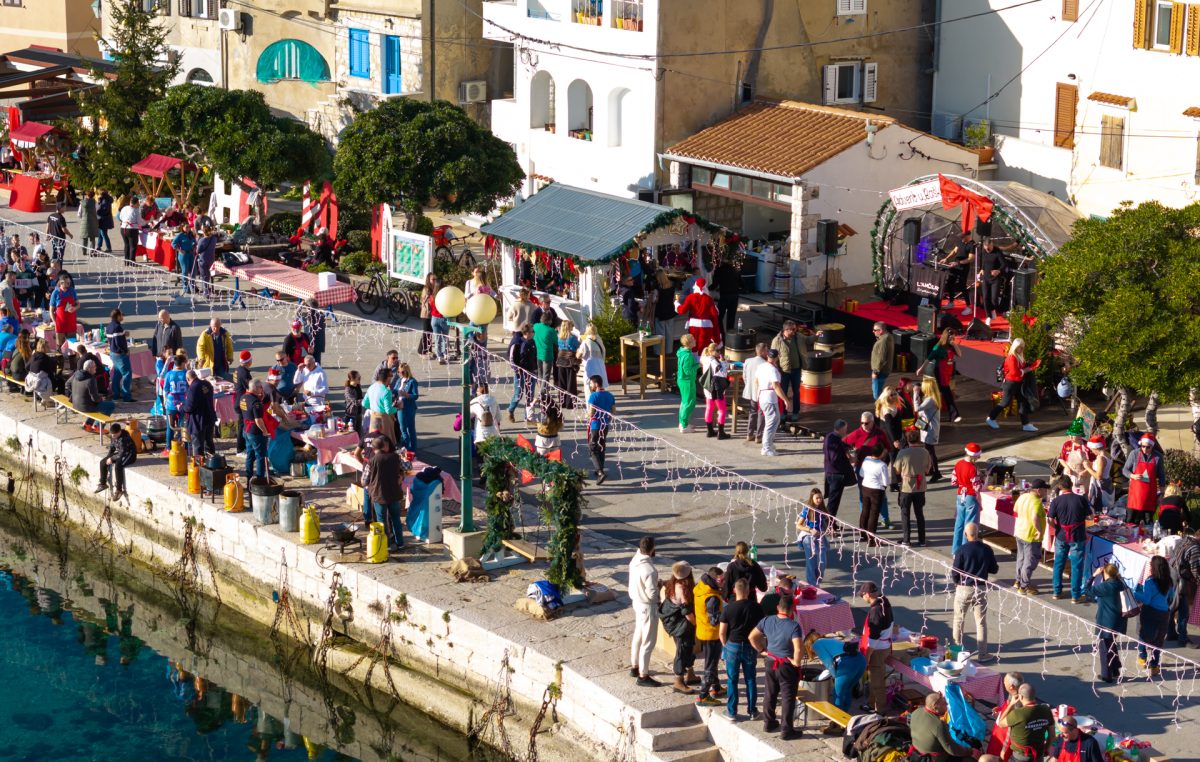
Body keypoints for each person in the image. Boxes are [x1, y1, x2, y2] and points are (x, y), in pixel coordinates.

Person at [749, 596, 803, 740]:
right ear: (792, 610)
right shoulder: (794, 626)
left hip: (770, 661)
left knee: (770, 693)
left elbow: (752, 637)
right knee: (787, 697)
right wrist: (796, 662)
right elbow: (798, 648)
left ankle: (769, 723)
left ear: (778, 607)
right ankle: (786, 730)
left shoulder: (766, 620)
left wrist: (762, 651)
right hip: (786, 665)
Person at [951, 523, 999, 661]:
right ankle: (982, 654)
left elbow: (955, 571)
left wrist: (957, 582)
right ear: (978, 533)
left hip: (964, 588)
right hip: (980, 588)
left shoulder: (961, 550)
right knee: (981, 622)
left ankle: (957, 651)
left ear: (966, 534)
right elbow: (994, 569)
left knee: (959, 620)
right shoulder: (986, 549)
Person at [719, 578, 763, 720]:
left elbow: (722, 633)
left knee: (732, 679)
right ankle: (752, 711)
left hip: (732, 645)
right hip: (750, 646)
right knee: (750, 679)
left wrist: (725, 647)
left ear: (734, 590)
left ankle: (732, 712)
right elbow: (761, 630)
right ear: (749, 590)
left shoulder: (728, 608)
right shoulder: (756, 607)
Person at [1049, 476, 1092, 603]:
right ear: (1071, 484)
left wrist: (1057, 527)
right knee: (1076, 566)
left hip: (1061, 535)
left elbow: (1050, 520)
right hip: (1077, 536)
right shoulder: (1081, 499)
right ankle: (1075, 596)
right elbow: (1090, 516)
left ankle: (1056, 592)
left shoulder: (1056, 501)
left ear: (1060, 486)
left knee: (1058, 564)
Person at [1085, 563, 1128, 683]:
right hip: (1118, 621)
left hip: (1106, 622)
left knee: (1104, 648)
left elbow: (1087, 590)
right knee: (1112, 645)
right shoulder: (1121, 583)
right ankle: (1115, 669)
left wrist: (1093, 576)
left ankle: (1106, 675)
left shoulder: (1106, 586)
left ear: (1106, 573)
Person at [628, 536, 662, 687]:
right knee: (648, 642)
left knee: (638, 635)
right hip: (647, 607)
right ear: (653, 548)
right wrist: (659, 588)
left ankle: (634, 666)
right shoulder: (650, 570)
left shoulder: (635, 560)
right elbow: (652, 595)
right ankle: (643, 675)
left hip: (636, 602)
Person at [986, 338, 1039, 432]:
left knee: (1022, 402)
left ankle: (1026, 424)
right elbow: (1015, 372)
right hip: (1010, 383)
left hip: (1018, 382)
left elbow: (1020, 370)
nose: (1021, 349)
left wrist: (1029, 366)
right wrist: (1028, 369)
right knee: (1005, 402)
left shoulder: (1019, 356)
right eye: (1019, 347)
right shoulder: (1012, 357)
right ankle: (991, 418)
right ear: (1015, 347)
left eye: (1022, 347)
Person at [1135, 555, 1174, 677]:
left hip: (1149, 612)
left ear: (1153, 567)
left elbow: (1146, 600)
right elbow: (1171, 597)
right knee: (1158, 640)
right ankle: (1154, 665)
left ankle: (1142, 658)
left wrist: (1135, 593)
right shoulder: (1169, 582)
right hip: (1164, 614)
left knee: (1143, 634)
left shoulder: (1150, 581)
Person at [858, 581, 893, 714]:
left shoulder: (875, 611)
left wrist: (867, 656)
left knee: (877, 681)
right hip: (884, 646)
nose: (862, 598)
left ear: (867, 594)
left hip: (878, 650)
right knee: (874, 678)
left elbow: (873, 638)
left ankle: (880, 710)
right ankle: (872, 704)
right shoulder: (884, 601)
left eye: (862, 595)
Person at [662, 562, 698, 694]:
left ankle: (690, 674)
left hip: (674, 622)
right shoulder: (682, 589)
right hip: (680, 625)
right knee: (682, 650)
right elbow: (687, 612)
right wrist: (696, 623)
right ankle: (678, 681)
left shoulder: (672, 583)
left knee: (688, 647)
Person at [892, 429, 932, 546]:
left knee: (905, 514)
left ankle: (906, 539)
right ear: (919, 439)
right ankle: (922, 540)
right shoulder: (925, 452)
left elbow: (897, 470)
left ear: (908, 440)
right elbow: (927, 470)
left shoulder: (902, 453)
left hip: (906, 487)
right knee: (919, 513)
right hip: (920, 487)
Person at [911, 692, 977, 762]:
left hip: (916, 750)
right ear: (935, 707)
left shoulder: (917, 711)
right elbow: (951, 749)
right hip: (932, 758)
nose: (947, 705)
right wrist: (970, 751)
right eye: (944, 703)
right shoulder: (939, 725)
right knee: (970, 759)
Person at [996, 683, 1055, 762]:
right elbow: (1052, 735)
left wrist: (1011, 704)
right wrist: (1045, 749)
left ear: (1021, 696)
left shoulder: (1017, 714)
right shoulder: (1046, 710)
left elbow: (1000, 723)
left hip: (1021, 756)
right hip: (1038, 753)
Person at [365, 436, 405, 551]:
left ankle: (386, 545)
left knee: (382, 520)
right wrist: (401, 475)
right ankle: (400, 543)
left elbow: (364, 480)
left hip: (379, 495)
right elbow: (407, 466)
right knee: (396, 518)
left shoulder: (371, 461)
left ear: (374, 449)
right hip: (394, 493)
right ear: (384, 447)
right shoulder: (395, 457)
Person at [692, 566, 725, 705]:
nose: (723, 582)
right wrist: (726, 615)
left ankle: (716, 688)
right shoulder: (712, 598)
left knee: (712, 662)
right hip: (712, 634)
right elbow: (714, 620)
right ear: (714, 579)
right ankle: (703, 695)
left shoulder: (701, 587)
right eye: (721, 580)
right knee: (710, 665)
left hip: (703, 630)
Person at [1122, 431, 1166, 527]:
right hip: (1135, 494)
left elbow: (1162, 476)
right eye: (1143, 446)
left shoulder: (1158, 457)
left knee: (1147, 522)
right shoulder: (1134, 454)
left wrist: (1162, 494)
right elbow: (1125, 470)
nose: (1145, 449)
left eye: (1148, 447)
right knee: (1130, 521)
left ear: (1152, 446)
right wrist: (1132, 476)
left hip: (1149, 495)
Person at [1013, 479, 1048, 595]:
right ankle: (1024, 586)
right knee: (1030, 562)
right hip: (1031, 536)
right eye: (1045, 489)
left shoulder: (1023, 496)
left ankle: (1018, 581)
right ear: (1038, 490)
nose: (1046, 492)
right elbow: (1034, 517)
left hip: (1020, 532)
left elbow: (1015, 510)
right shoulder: (1036, 502)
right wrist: (1039, 530)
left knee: (1021, 558)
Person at [753, 348, 789, 456]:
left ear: (767, 356)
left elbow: (756, 381)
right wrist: (786, 400)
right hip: (769, 398)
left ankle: (769, 445)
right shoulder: (773, 370)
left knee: (775, 420)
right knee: (771, 423)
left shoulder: (761, 366)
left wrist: (758, 394)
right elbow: (776, 386)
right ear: (777, 358)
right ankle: (766, 448)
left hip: (764, 396)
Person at [952, 443, 984, 556]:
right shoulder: (972, 468)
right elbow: (977, 487)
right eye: (978, 456)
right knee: (970, 525)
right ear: (973, 456)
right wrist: (982, 478)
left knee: (959, 524)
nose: (979, 458)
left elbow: (954, 482)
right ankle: (965, 552)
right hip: (970, 496)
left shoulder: (958, 464)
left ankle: (955, 551)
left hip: (960, 495)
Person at [925, 328, 963, 423]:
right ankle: (954, 415)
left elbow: (960, 354)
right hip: (940, 372)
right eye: (951, 336)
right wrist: (921, 369)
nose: (953, 338)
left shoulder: (951, 346)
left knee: (943, 392)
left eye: (953, 336)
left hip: (947, 372)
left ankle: (951, 414)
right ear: (947, 336)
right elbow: (929, 358)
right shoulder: (938, 347)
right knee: (946, 392)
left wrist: (954, 344)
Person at [675, 277, 721, 350]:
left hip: (693, 325)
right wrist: (716, 335)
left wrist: (676, 304)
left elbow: (682, 310)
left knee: (693, 346)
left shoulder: (690, 297)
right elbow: (714, 314)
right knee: (705, 347)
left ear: (695, 286)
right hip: (706, 326)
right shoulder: (709, 299)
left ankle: (694, 357)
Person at [985, 672, 1024, 758]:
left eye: (1005, 682)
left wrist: (1009, 706)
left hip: (1004, 735)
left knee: (998, 754)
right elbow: (1008, 708)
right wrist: (1001, 710)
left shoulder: (1018, 702)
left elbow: (1005, 722)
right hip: (999, 731)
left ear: (1011, 687)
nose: (1003, 683)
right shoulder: (1013, 693)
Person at [796, 489, 830, 585]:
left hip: (820, 537)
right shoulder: (807, 510)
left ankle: (817, 580)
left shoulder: (822, 509)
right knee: (811, 561)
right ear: (812, 499)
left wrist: (828, 529)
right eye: (817, 498)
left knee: (822, 562)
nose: (819, 500)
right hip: (808, 537)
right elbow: (798, 525)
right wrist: (810, 530)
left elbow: (824, 522)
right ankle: (812, 584)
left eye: (820, 498)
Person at [95, 422, 136, 501]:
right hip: (121, 453)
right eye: (112, 434)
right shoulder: (114, 436)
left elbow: (122, 453)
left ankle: (119, 490)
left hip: (129, 454)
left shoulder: (124, 439)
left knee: (118, 466)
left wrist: (112, 459)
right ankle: (102, 484)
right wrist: (108, 458)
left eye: (114, 435)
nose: (113, 436)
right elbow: (112, 447)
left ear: (119, 432)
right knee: (102, 462)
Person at [770, 321, 803, 418]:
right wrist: (776, 369)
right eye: (792, 329)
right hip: (784, 371)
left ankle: (795, 412)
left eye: (795, 329)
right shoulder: (777, 340)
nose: (794, 331)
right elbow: (773, 355)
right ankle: (783, 412)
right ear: (786, 330)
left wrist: (816, 336)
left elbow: (808, 340)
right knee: (783, 391)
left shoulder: (797, 337)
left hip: (796, 369)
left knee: (796, 391)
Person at [823, 419, 855, 518]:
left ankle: (830, 522)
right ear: (841, 429)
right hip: (836, 475)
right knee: (833, 503)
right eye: (845, 429)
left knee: (832, 501)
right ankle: (830, 524)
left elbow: (839, 446)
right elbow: (835, 458)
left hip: (830, 472)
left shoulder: (830, 436)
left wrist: (847, 447)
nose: (846, 431)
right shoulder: (835, 440)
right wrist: (848, 460)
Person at [586, 375, 615, 485]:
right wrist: (607, 420)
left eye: (591, 383)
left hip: (595, 425)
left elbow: (591, 412)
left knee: (593, 448)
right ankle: (600, 467)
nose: (590, 385)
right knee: (601, 446)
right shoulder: (610, 395)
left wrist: (587, 416)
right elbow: (613, 411)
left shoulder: (593, 396)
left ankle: (600, 472)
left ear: (596, 384)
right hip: (605, 425)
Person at [858, 444, 889, 543]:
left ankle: (863, 535)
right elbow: (886, 482)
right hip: (877, 490)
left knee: (865, 511)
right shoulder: (882, 465)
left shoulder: (866, 459)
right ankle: (871, 539)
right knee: (874, 514)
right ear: (881, 453)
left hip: (865, 487)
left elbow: (861, 473)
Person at [239, 380, 270, 481]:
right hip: (255, 432)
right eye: (260, 387)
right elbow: (258, 420)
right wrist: (265, 431)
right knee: (261, 456)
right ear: (255, 388)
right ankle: (260, 479)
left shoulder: (243, 397)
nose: (262, 389)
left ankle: (249, 477)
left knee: (250, 455)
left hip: (246, 430)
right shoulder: (255, 402)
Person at [183, 369, 216, 460]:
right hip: (209, 417)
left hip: (198, 420)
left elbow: (189, 407)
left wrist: (181, 407)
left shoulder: (193, 388)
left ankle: (199, 464)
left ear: (188, 379)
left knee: (198, 445)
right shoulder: (207, 384)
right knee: (209, 442)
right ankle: (211, 462)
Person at [506, 323, 537, 422]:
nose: (534, 333)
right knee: (518, 394)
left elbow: (535, 356)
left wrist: (536, 369)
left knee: (530, 395)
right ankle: (511, 410)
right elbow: (512, 359)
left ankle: (528, 416)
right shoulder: (517, 343)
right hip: (520, 373)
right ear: (526, 333)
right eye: (532, 331)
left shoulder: (532, 342)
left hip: (531, 372)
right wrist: (517, 371)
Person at [699, 342, 731, 439]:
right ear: (711, 351)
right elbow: (723, 374)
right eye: (717, 350)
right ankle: (721, 433)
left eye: (720, 350)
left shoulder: (704, 359)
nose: (719, 352)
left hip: (707, 387)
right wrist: (724, 362)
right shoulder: (714, 362)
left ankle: (710, 431)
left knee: (709, 408)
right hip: (716, 388)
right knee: (722, 410)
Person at [915, 378, 943, 480]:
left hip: (930, 429)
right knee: (929, 450)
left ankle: (936, 472)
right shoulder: (932, 398)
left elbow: (917, 408)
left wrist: (915, 394)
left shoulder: (930, 400)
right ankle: (931, 469)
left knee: (930, 451)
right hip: (930, 428)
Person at [105, 308, 133, 403]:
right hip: (120, 354)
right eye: (121, 315)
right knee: (127, 374)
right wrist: (125, 351)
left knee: (117, 374)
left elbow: (114, 339)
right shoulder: (117, 327)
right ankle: (126, 396)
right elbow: (118, 342)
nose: (123, 317)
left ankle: (115, 395)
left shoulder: (109, 326)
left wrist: (123, 334)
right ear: (117, 316)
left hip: (113, 353)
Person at [364, 367, 398, 445]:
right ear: (387, 377)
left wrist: (374, 406)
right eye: (391, 376)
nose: (392, 378)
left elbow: (364, 404)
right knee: (385, 442)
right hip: (384, 419)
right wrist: (397, 408)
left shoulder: (372, 387)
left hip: (374, 417)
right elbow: (388, 410)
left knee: (374, 441)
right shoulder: (386, 391)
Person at [742, 343, 768, 444]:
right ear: (762, 352)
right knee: (761, 413)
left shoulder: (748, 361)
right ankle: (759, 436)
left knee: (752, 412)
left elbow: (744, 377)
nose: (767, 352)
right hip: (761, 392)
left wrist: (749, 385)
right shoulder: (765, 364)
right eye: (766, 350)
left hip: (751, 390)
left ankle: (749, 434)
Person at [978, 238, 1008, 325]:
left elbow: (1004, 264)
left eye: (989, 247)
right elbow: (983, 262)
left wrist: (998, 271)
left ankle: (992, 309)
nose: (987, 249)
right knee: (985, 297)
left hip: (995, 279)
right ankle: (988, 317)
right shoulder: (984, 252)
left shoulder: (997, 252)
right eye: (986, 247)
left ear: (992, 244)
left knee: (994, 299)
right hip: (986, 278)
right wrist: (982, 269)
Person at [553, 319, 580, 404]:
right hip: (570, 360)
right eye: (571, 325)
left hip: (561, 360)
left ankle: (562, 401)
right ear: (569, 327)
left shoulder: (558, 337)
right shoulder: (573, 338)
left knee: (562, 381)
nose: (573, 327)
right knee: (570, 382)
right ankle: (570, 402)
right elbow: (578, 346)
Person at [1083, 435, 1112, 513]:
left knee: (1097, 508)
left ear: (1095, 448)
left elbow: (1098, 476)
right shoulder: (1107, 454)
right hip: (1106, 483)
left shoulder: (1101, 458)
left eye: (1092, 449)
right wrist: (1090, 464)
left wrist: (1087, 467)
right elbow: (1100, 466)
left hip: (1099, 487)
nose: (1091, 451)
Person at [676, 333, 699, 433]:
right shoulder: (688, 356)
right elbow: (688, 371)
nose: (695, 340)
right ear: (689, 343)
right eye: (693, 339)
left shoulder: (682, 351)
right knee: (689, 403)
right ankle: (684, 426)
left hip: (683, 380)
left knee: (684, 402)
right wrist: (698, 365)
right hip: (687, 381)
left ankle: (682, 423)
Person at [712, 257, 740, 334]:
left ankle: (721, 333)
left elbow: (714, 284)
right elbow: (742, 284)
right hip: (734, 296)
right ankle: (730, 334)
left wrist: (706, 288)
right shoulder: (736, 270)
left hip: (724, 296)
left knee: (719, 316)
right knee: (731, 317)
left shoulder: (719, 270)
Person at [395, 363, 419, 452]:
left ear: (407, 371)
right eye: (399, 372)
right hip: (400, 407)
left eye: (402, 372)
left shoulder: (412, 381)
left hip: (409, 408)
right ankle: (405, 447)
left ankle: (412, 449)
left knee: (410, 429)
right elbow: (395, 390)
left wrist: (407, 395)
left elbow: (416, 395)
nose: (400, 374)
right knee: (402, 428)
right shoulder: (399, 380)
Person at [49, 276, 77, 349]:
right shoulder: (55, 293)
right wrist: (55, 323)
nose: (69, 284)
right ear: (61, 283)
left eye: (69, 282)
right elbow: (51, 310)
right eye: (67, 283)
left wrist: (74, 308)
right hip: (60, 325)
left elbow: (78, 304)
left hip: (71, 323)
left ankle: (72, 357)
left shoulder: (72, 291)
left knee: (72, 347)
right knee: (60, 347)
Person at [577, 322, 607, 390]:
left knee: (589, 387)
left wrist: (577, 350)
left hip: (590, 367)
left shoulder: (586, 341)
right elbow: (603, 351)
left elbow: (578, 355)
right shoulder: (599, 339)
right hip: (600, 366)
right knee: (600, 386)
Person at [869, 322, 895, 400]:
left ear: (880, 331)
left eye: (875, 330)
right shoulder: (888, 337)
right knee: (879, 391)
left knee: (877, 395)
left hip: (880, 371)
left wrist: (875, 372)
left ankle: (879, 406)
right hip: (884, 370)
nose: (873, 331)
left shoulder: (883, 341)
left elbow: (881, 358)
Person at [533, 310, 557, 387]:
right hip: (547, 355)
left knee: (540, 373)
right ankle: (543, 391)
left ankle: (540, 387)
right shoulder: (551, 330)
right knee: (546, 375)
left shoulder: (536, 326)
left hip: (538, 353)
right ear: (549, 320)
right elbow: (556, 342)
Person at [417, 273, 438, 356]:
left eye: (435, 279)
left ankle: (428, 349)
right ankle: (421, 350)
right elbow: (425, 301)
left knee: (430, 332)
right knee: (426, 332)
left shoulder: (434, 288)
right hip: (426, 313)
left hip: (432, 313)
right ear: (429, 280)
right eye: (433, 279)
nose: (434, 281)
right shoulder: (426, 289)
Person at [118, 195, 143, 264]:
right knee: (133, 246)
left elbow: (120, 217)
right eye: (138, 203)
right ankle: (132, 261)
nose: (138, 205)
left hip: (123, 228)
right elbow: (139, 222)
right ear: (136, 203)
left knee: (126, 245)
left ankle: (126, 261)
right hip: (132, 229)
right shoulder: (136, 211)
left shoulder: (124, 208)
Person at [171, 225, 197, 292]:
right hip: (183, 255)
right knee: (185, 271)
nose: (188, 228)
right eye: (186, 227)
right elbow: (173, 243)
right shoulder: (180, 235)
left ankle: (192, 285)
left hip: (191, 254)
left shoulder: (191, 234)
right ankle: (185, 287)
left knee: (193, 271)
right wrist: (179, 250)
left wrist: (194, 247)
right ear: (183, 228)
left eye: (188, 227)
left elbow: (195, 242)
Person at [343, 370, 364, 437]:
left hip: (359, 413)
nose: (360, 378)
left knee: (359, 433)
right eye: (358, 377)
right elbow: (354, 402)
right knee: (351, 434)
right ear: (353, 379)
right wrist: (365, 400)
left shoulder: (358, 386)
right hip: (351, 414)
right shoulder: (348, 389)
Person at [78, 190, 99, 254]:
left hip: (84, 221)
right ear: (93, 196)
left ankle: (84, 251)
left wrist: (83, 217)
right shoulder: (95, 203)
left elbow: (79, 214)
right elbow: (97, 211)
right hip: (93, 221)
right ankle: (92, 251)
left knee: (84, 238)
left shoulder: (82, 202)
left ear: (87, 195)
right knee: (92, 238)